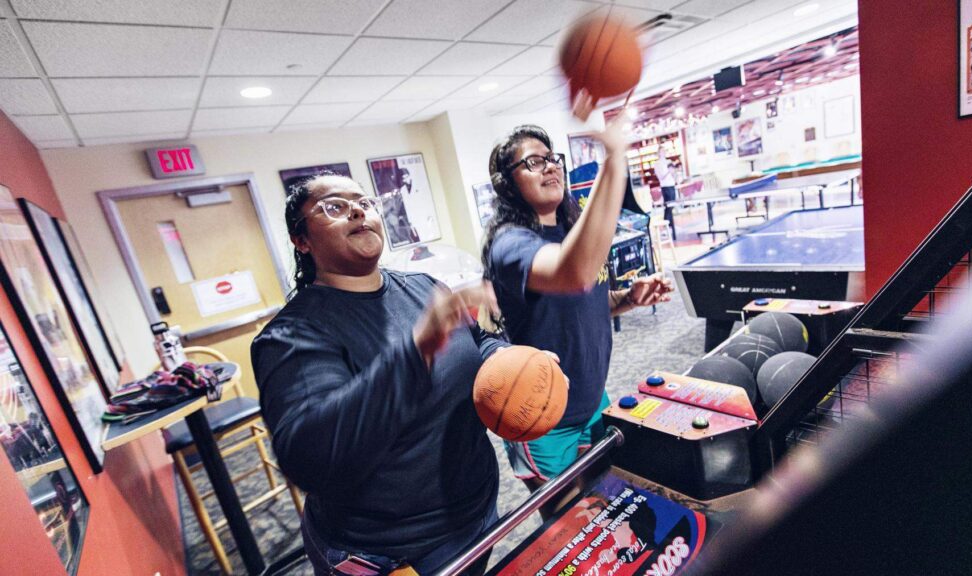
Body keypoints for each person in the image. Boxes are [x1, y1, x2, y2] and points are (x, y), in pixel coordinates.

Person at [251, 174, 503, 575]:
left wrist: (509, 359)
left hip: (475, 514)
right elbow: (310, 456)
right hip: (392, 554)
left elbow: (478, 344)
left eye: (365, 202)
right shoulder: (291, 336)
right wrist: (416, 350)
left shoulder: (424, 287)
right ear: (302, 241)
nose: (357, 210)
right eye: (334, 206)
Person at [480, 97, 673, 513]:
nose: (550, 166)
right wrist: (614, 158)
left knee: (607, 503)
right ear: (508, 184)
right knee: (570, 526)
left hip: (590, 399)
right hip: (543, 419)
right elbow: (574, 273)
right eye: (533, 162)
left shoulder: (569, 227)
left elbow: (583, 300)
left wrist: (626, 299)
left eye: (552, 158)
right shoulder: (510, 243)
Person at [653, 147, 678, 241]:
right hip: (665, 186)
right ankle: (665, 228)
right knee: (668, 207)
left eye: (664, 150)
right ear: (658, 153)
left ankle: (670, 227)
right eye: (661, 151)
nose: (663, 152)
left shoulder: (669, 161)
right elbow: (661, 177)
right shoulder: (657, 164)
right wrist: (669, 171)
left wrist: (674, 174)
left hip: (671, 185)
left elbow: (673, 173)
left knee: (672, 206)